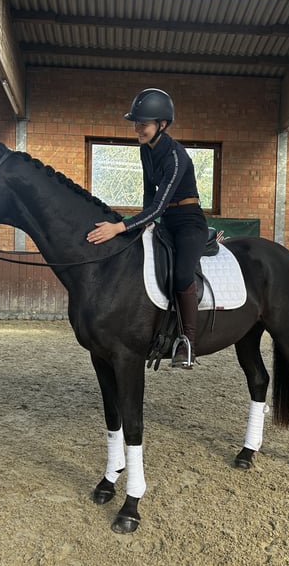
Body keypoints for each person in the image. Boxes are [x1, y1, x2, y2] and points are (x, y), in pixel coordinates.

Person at [87, 88, 208, 368]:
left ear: (162, 125)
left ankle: (188, 342)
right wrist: (142, 225)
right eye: (136, 123)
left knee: (180, 275)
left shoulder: (177, 157)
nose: (138, 128)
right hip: (164, 221)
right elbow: (148, 196)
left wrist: (120, 227)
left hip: (189, 222)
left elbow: (160, 204)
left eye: (144, 123)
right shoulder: (146, 151)